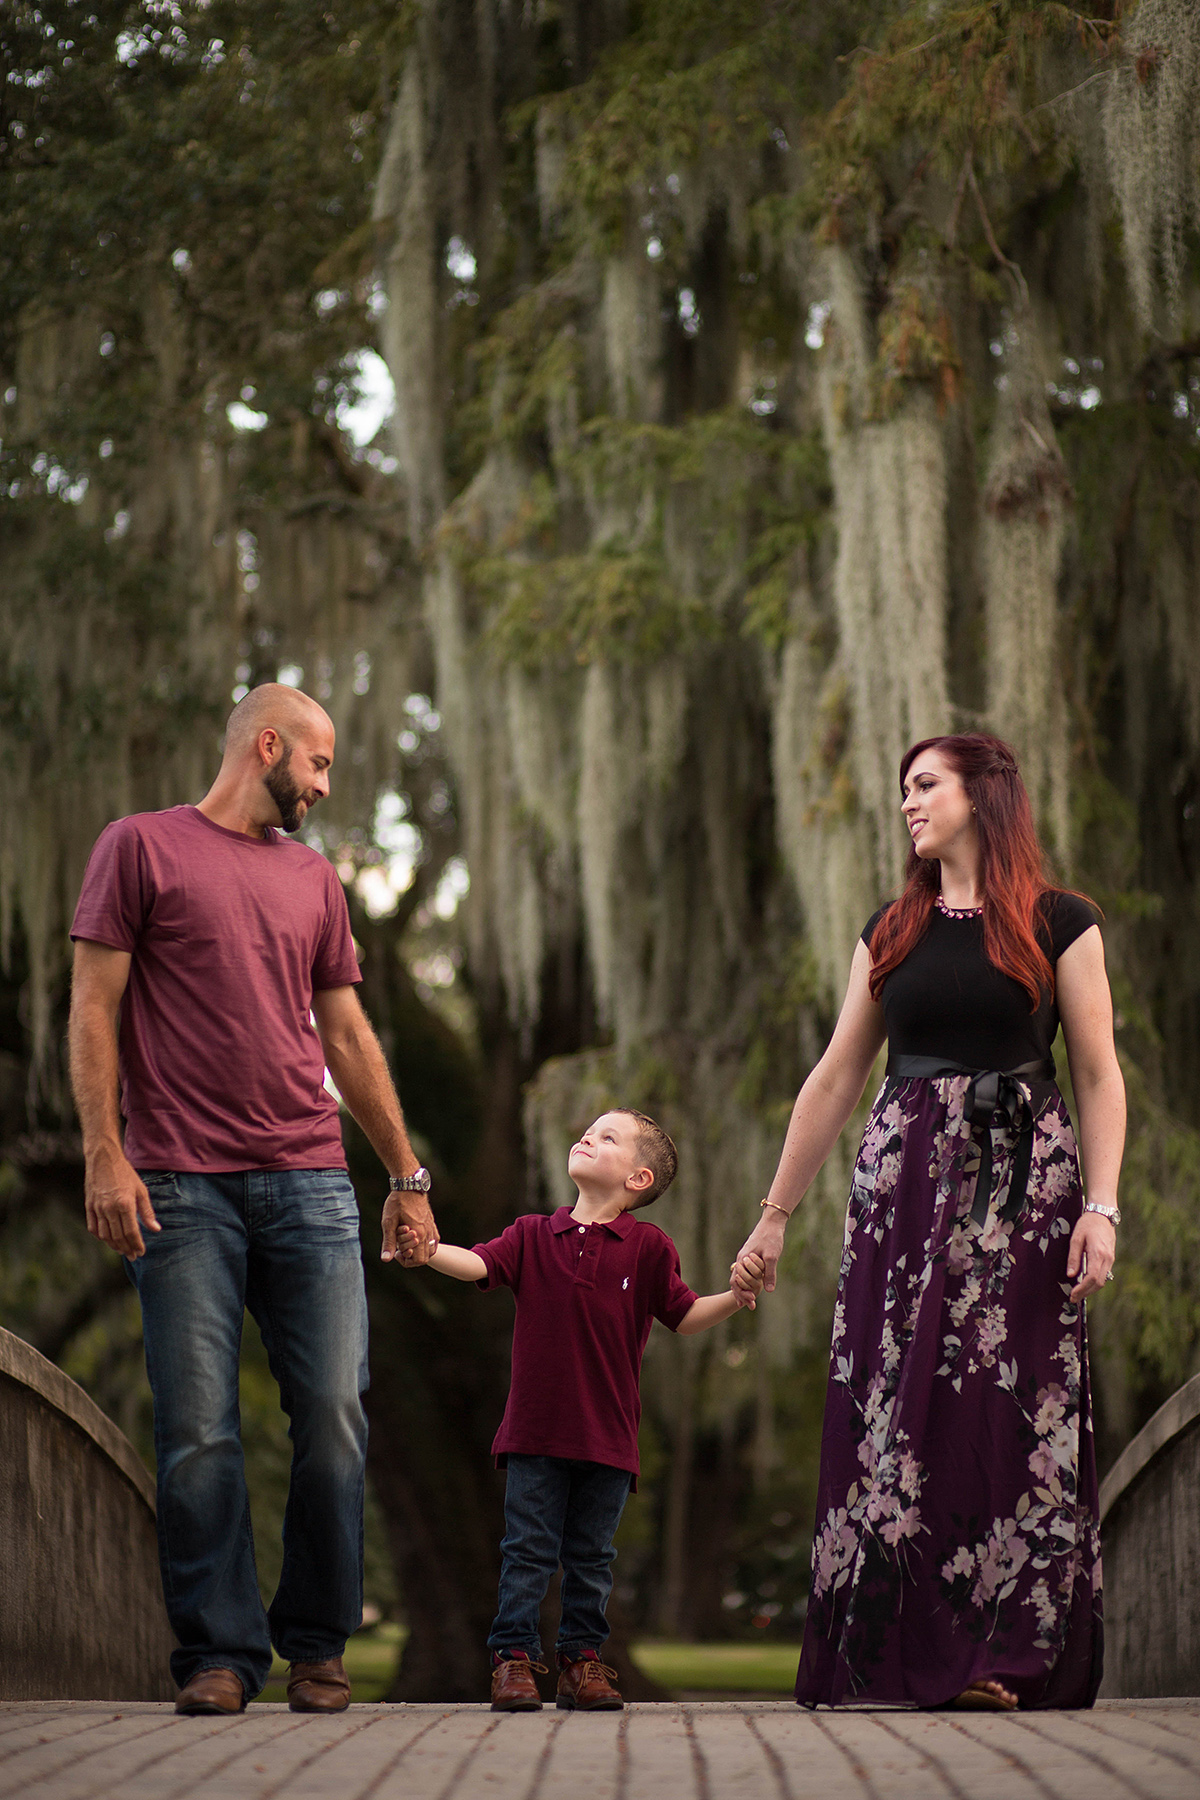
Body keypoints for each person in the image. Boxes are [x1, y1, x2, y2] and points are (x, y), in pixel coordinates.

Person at [68, 683, 439, 1717]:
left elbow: (349, 1037)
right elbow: (92, 1009)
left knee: (333, 1415)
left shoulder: (314, 879)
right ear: (267, 746)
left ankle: (317, 1643)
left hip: (312, 1183)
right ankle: (218, 1656)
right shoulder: (137, 847)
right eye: (318, 765)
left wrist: (405, 1177)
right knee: (198, 1433)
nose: (324, 786)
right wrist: (106, 1154)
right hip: (179, 1185)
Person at [733, 733, 1123, 1711]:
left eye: (924, 785)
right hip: (899, 1195)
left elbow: (1097, 1071)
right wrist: (773, 1216)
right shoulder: (894, 928)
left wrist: (1103, 1207)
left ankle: (996, 1654)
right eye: (903, 787)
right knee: (893, 1408)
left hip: (1018, 1188)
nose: (907, 803)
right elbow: (834, 1076)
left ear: (983, 794)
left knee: (1005, 1410)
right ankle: (890, 1654)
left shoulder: (1060, 921)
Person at [400, 1107, 766, 1711]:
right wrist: (430, 1250)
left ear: (638, 1180)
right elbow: (479, 1265)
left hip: (609, 1438)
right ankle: (513, 1662)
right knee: (527, 1550)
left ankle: (581, 1662)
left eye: (608, 1137)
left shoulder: (648, 1247)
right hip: (534, 1430)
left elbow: (685, 1315)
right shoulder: (530, 1234)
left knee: (592, 1558)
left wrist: (735, 1295)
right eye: (588, 1132)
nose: (587, 1137)